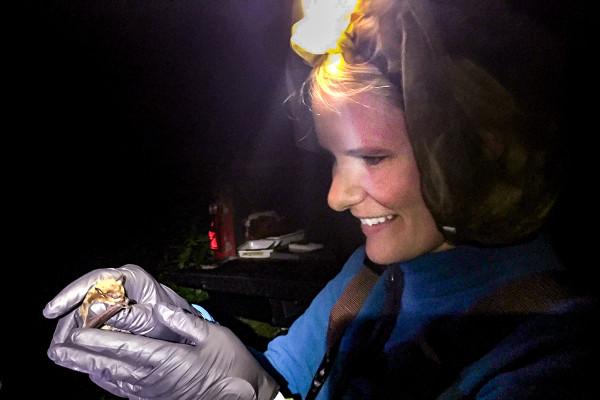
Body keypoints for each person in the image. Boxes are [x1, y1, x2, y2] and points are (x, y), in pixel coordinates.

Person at [43, 0, 595, 399]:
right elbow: (283, 374)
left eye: (373, 158)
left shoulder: (552, 349)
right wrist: (183, 329)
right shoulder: (371, 276)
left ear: (480, 152)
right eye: (335, 158)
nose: (336, 196)